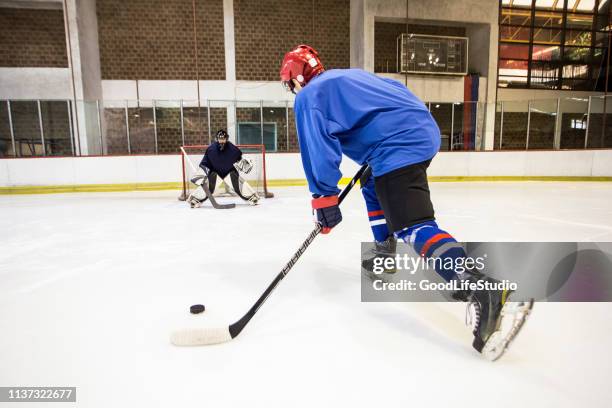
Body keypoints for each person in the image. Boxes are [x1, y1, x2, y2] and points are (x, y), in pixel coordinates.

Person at [279, 44, 532, 360]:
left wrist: (324, 197)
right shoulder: (348, 77)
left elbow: (319, 149)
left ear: (294, 78)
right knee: (371, 182)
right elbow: (397, 93)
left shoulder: (309, 96)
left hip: (396, 145)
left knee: (413, 226)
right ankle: (384, 251)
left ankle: (481, 287)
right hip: (419, 130)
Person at [187, 129, 259, 207]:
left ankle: (252, 197)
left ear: (226, 139)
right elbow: (205, 164)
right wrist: (200, 175)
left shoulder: (232, 149)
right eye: (220, 139)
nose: (222, 141)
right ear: (217, 139)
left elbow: (239, 159)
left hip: (229, 172)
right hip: (215, 172)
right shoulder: (211, 149)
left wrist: (244, 164)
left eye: (223, 139)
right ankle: (195, 199)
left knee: (239, 184)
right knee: (208, 187)